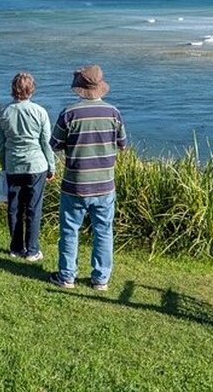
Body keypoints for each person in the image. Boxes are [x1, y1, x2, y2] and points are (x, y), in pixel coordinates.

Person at [49, 65, 127, 291]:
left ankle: (67, 276)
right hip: (104, 184)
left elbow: (55, 145)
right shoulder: (113, 113)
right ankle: (100, 279)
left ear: (80, 88)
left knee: (69, 230)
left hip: (75, 183)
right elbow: (123, 144)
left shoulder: (69, 113)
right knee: (103, 231)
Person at [0, 72, 56, 262]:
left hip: (13, 164)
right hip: (36, 165)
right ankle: (32, 249)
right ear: (32, 90)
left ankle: (16, 247)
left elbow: (0, 143)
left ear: (13, 90)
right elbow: (46, 143)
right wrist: (51, 166)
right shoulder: (39, 112)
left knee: (14, 207)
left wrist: (4, 165)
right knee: (33, 208)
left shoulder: (4, 112)